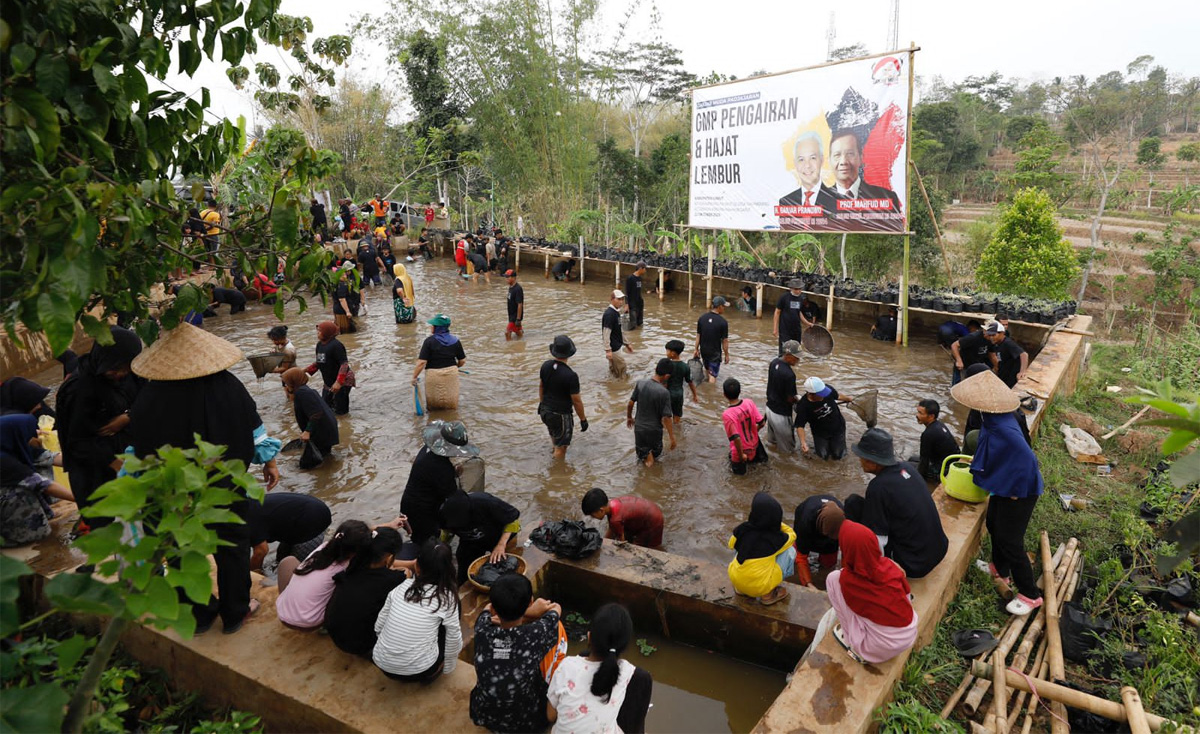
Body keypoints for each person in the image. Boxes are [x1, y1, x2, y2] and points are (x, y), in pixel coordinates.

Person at [129, 323, 281, 634]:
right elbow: (254, 429)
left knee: (181, 548)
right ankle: (236, 612)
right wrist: (270, 463)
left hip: (171, 488)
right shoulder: (228, 387)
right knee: (232, 546)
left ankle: (199, 614)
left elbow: (137, 449)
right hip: (225, 483)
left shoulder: (148, 396)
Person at [952, 370, 1045, 616]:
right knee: (994, 524)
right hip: (1005, 485)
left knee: (1011, 541)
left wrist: (1015, 492)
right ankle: (999, 569)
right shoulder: (992, 418)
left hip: (1020, 490)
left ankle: (1030, 594)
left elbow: (1027, 459)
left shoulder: (1004, 428)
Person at [54, 326, 144, 521]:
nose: (120, 374)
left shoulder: (130, 377)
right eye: (114, 368)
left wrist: (128, 416)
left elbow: (147, 401)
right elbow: (76, 442)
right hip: (95, 475)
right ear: (102, 358)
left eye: (126, 368)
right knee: (108, 531)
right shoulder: (78, 389)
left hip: (127, 464)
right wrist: (115, 463)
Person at [846, 428, 948, 579]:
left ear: (872, 462)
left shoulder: (878, 487)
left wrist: (877, 569)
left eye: (862, 457)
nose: (860, 461)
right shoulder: (908, 468)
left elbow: (878, 539)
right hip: (938, 550)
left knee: (852, 504)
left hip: (914, 564)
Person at [470, 573, 563, 733]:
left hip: (485, 715)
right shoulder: (536, 633)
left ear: (494, 608)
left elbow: (486, 610)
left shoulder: (481, 628)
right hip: (525, 723)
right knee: (558, 629)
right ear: (531, 602)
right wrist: (531, 613)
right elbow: (556, 609)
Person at [548, 603, 653, 734]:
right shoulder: (628, 671)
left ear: (589, 636)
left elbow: (551, 715)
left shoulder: (567, 665)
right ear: (624, 647)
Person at [825, 520, 919, 664]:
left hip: (880, 647)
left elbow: (848, 589)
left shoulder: (847, 580)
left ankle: (850, 639)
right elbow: (905, 593)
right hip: (909, 634)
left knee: (833, 580)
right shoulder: (889, 564)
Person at [373, 540, 463, 682]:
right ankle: (431, 674)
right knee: (447, 625)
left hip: (383, 665)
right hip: (421, 671)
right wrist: (448, 667)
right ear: (449, 569)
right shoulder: (448, 598)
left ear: (417, 566)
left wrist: (388, 648)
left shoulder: (401, 587)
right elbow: (453, 638)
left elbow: (379, 625)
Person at [325, 527, 416, 657]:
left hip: (337, 636)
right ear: (389, 558)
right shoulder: (393, 580)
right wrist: (407, 572)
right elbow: (402, 575)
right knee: (410, 553)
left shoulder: (353, 564)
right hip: (364, 645)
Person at [275, 519, 370, 629]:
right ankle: (325, 627)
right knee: (350, 590)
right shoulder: (343, 567)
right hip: (309, 622)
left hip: (282, 613)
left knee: (289, 561)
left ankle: (292, 603)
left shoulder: (322, 549)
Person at [401, 420, 478, 546]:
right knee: (427, 547)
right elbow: (452, 498)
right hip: (421, 513)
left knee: (421, 541)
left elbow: (432, 475)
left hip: (410, 503)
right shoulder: (442, 468)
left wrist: (454, 472)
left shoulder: (428, 450)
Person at [439, 489, 521, 584]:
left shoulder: (485, 502)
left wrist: (501, 545)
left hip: (499, 536)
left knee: (507, 567)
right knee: (463, 563)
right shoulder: (443, 514)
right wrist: (441, 547)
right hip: (471, 541)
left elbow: (513, 521)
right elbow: (447, 532)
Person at [727, 492, 795, 605]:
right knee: (790, 551)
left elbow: (731, 544)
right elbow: (792, 536)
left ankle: (741, 590)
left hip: (735, 578)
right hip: (759, 587)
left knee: (739, 547)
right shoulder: (776, 538)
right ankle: (767, 595)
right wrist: (779, 524)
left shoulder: (742, 529)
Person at [828, 129, 902, 231]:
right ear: (829, 161)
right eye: (837, 155)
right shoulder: (820, 201)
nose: (843, 162)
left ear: (861, 158)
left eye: (850, 154)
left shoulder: (886, 197)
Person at [247, 492, 331, 573]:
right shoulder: (246, 505)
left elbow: (261, 551)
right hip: (297, 520)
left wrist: (252, 575)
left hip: (314, 522)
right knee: (280, 560)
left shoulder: (248, 518)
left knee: (295, 570)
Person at [539, 336, 588, 460]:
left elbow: (541, 386)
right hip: (560, 415)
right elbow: (576, 401)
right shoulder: (571, 376)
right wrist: (583, 419)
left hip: (545, 411)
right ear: (569, 353)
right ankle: (557, 473)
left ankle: (554, 455)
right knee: (562, 448)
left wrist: (541, 403)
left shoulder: (545, 366)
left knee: (555, 437)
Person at [778, 131, 840, 226]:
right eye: (801, 159)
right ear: (795, 164)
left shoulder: (837, 201)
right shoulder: (785, 202)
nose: (807, 165)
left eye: (813, 158)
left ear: (822, 160)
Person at [280, 368, 339, 467]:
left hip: (323, 431)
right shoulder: (304, 390)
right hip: (326, 429)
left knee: (319, 462)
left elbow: (316, 413)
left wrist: (307, 431)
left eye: (287, 383)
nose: (286, 386)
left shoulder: (302, 393)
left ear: (293, 381)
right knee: (324, 457)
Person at [626, 359, 676, 467]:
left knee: (645, 456)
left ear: (655, 369)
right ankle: (650, 479)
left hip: (639, 429)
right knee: (654, 457)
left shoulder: (640, 384)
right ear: (667, 376)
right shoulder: (664, 393)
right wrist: (672, 438)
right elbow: (667, 417)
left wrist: (629, 417)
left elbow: (630, 403)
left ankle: (646, 477)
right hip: (655, 431)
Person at [413, 314, 466, 410]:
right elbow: (462, 361)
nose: (431, 327)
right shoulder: (456, 341)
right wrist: (455, 368)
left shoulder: (429, 341)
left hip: (433, 375)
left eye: (432, 325)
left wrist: (414, 377)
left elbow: (421, 363)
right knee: (452, 407)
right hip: (451, 375)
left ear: (437, 328)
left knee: (433, 408)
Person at [582, 488, 664, 549]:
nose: (593, 518)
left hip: (653, 521)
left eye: (592, 515)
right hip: (652, 510)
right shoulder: (612, 504)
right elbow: (612, 528)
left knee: (638, 547)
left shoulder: (615, 519)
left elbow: (622, 542)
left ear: (601, 510)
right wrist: (604, 542)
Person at [794, 377, 853, 460]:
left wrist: (849, 399)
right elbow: (800, 426)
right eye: (821, 394)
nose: (824, 395)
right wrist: (803, 443)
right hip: (820, 433)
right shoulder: (803, 406)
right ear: (810, 394)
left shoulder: (827, 390)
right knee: (823, 456)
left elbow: (837, 396)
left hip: (838, 428)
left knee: (839, 455)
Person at [792, 495, 843, 588]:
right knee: (798, 554)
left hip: (830, 529)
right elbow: (802, 557)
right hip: (810, 523)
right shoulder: (805, 522)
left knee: (829, 564)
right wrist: (808, 583)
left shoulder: (843, 519)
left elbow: (847, 549)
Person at [305, 321, 352, 415]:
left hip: (341, 381)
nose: (317, 333)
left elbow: (344, 364)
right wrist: (305, 371)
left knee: (341, 412)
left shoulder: (336, 345)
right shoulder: (319, 345)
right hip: (328, 382)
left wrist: (338, 382)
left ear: (327, 332)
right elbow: (319, 362)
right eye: (317, 331)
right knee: (326, 407)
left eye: (320, 331)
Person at [722, 378, 768, 475]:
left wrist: (741, 455)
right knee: (761, 470)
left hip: (741, 451)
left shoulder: (727, 414)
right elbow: (762, 423)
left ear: (724, 395)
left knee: (738, 479)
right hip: (755, 445)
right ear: (740, 391)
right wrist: (755, 431)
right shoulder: (749, 402)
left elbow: (737, 438)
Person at [764, 340, 802, 453]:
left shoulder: (774, 362)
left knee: (772, 443)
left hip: (769, 410)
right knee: (789, 450)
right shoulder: (789, 375)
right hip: (781, 415)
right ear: (788, 355)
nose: (798, 360)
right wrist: (798, 400)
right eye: (796, 357)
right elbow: (790, 398)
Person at [911, 399, 960, 483]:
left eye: (920, 413)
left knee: (907, 466)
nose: (917, 415)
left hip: (944, 469)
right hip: (952, 461)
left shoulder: (928, 434)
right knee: (912, 458)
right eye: (917, 412)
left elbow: (924, 462)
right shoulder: (939, 425)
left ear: (931, 416)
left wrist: (918, 480)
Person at [693, 297, 730, 382]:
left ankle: (705, 390)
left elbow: (698, 335)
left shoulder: (702, 318)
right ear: (719, 307)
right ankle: (710, 393)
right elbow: (725, 341)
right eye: (723, 306)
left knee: (707, 371)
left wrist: (696, 349)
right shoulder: (723, 322)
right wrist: (727, 355)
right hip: (715, 353)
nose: (724, 308)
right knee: (713, 375)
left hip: (704, 351)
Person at [773, 279, 812, 355]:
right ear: (791, 288)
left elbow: (799, 312)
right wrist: (775, 329)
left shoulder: (800, 298)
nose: (798, 291)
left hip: (796, 329)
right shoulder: (784, 297)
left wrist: (807, 323)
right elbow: (777, 312)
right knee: (784, 352)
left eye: (799, 289)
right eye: (796, 289)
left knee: (796, 352)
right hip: (785, 329)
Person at [663, 340, 697, 426]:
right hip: (679, 394)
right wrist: (695, 395)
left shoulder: (666, 365)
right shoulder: (685, 366)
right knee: (677, 415)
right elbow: (690, 382)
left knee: (665, 416)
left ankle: (667, 433)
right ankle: (677, 431)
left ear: (673, 353)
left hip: (667, 394)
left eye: (667, 351)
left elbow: (663, 381)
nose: (666, 353)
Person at [987, 322, 1028, 388]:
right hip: (1003, 374)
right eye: (990, 335)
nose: (991, 337)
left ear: (1002, 333)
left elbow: (1024, 354)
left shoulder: (1008, 343)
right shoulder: (997, 343)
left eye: (994, 335)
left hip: (1011, 377)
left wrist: (1022, 372)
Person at [602, 290, 632, 375]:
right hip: (614, 348)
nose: (621, 302)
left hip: (616, 346)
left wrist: (627, 343)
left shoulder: (616, 312)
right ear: (612, 299)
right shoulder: (609, 314)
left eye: (622, 299)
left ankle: (612, 385)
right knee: (622, 368)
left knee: (614, 370)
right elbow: (606, 333)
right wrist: (608, 350)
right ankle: (622, 386)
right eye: (618, 299)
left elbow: (620, 330)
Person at [938, 320, 977, 385]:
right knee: (954, 345)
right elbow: (966, 342)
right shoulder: (966, 331)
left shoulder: (961, 325)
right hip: (948, 332)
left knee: (943, 344)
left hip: (941, 328)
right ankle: (954, 357)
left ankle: (939, 353)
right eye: (975, 329)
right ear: (972, 327)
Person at [625, 261, 646, 330]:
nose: (645, 270)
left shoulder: (640, 278)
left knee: (640, 323)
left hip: (639, 303)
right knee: (633, 324)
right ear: (640, 269)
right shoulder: (630, 278)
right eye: (644, 269)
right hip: (632, 304)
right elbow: (627, 292)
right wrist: (626, 304)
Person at [200, 198, 221, 266]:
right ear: (216, 206)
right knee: (213, 250)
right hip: (213, 234)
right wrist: (207, 229)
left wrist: (204, 230)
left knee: (207, 249)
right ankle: (212, 265)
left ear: (208, 205)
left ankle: (209, 263)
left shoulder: (202, 212)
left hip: (204, 235)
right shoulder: (216, 214)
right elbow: (213, 224)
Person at [505, 269, 524, 340]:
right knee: (517, 332)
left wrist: (518, 319)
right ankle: (521, 343)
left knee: (507, 333)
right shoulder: (511, 287)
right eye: (506, 277)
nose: (506, 279)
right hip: (511, 313)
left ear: (513, 277)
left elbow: (520, 304)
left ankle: (509, 348)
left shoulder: (518, 289)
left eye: (508, 277)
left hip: (515, 316)